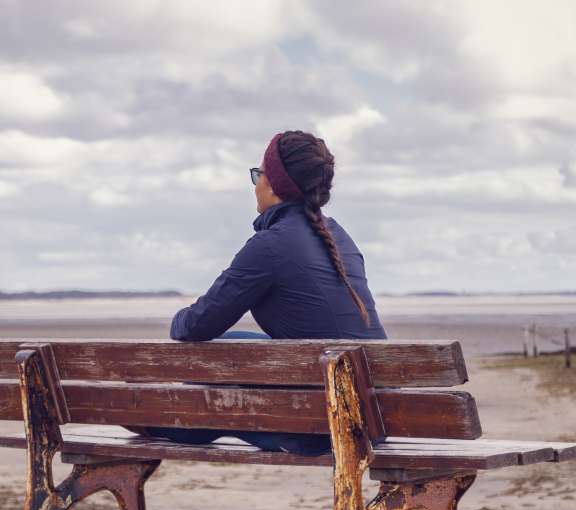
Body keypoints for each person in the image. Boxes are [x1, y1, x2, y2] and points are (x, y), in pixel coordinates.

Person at [128, 130, 387, 455]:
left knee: (217, 365)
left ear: (276, 185)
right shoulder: (338, 236)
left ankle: (144, 415)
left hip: (325, 427)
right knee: (241, 344)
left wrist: (177, 319)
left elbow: (196, 325)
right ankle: (157, 412)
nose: (255, 184)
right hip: (377, 415)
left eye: (258, 174)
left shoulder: (270, 246)